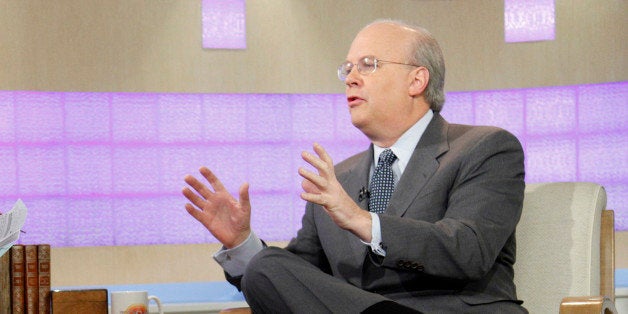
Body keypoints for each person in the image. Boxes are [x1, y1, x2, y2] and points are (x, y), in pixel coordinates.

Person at [183, 19, 527, 313]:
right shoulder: (341, 179)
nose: (351, 78)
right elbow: (300, 279)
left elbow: (468, 250)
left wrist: (363, 221)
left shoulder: (485, 148)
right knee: (267, 267)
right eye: (347, 69)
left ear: (417, 80)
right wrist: (242, 242)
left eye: (367, 64)